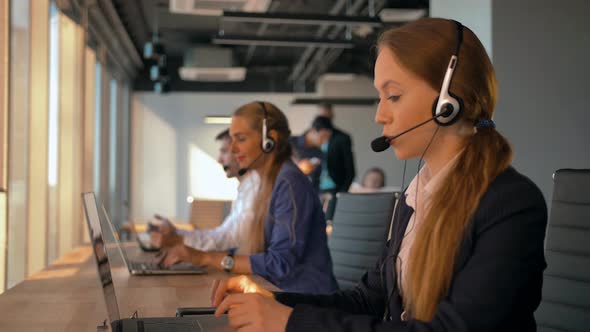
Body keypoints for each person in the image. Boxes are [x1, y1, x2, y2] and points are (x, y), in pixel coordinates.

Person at [209, 18, 548, 332]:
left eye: (394, 95)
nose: (380, 115)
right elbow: (368, 300)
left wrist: (291, 322)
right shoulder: (416, 197)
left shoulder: (511, 204)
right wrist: (273, 303)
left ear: (448, 102)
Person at [159, 101, 338, 294]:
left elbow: (281, 263)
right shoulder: (265, 183)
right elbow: (256, 252)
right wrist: (200, 255)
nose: (233, 149)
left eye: (240, 139)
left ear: (269, 140)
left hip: (305, 302)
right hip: (276, 292)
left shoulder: (288, 183)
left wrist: (205, 258)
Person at [150, 129, 260, 254]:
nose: (219, 160)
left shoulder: (256, 189)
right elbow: (223, 234)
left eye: (224, 151)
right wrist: (177, 233)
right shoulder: (246, 187)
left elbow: (232, 240)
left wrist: (178, 239)